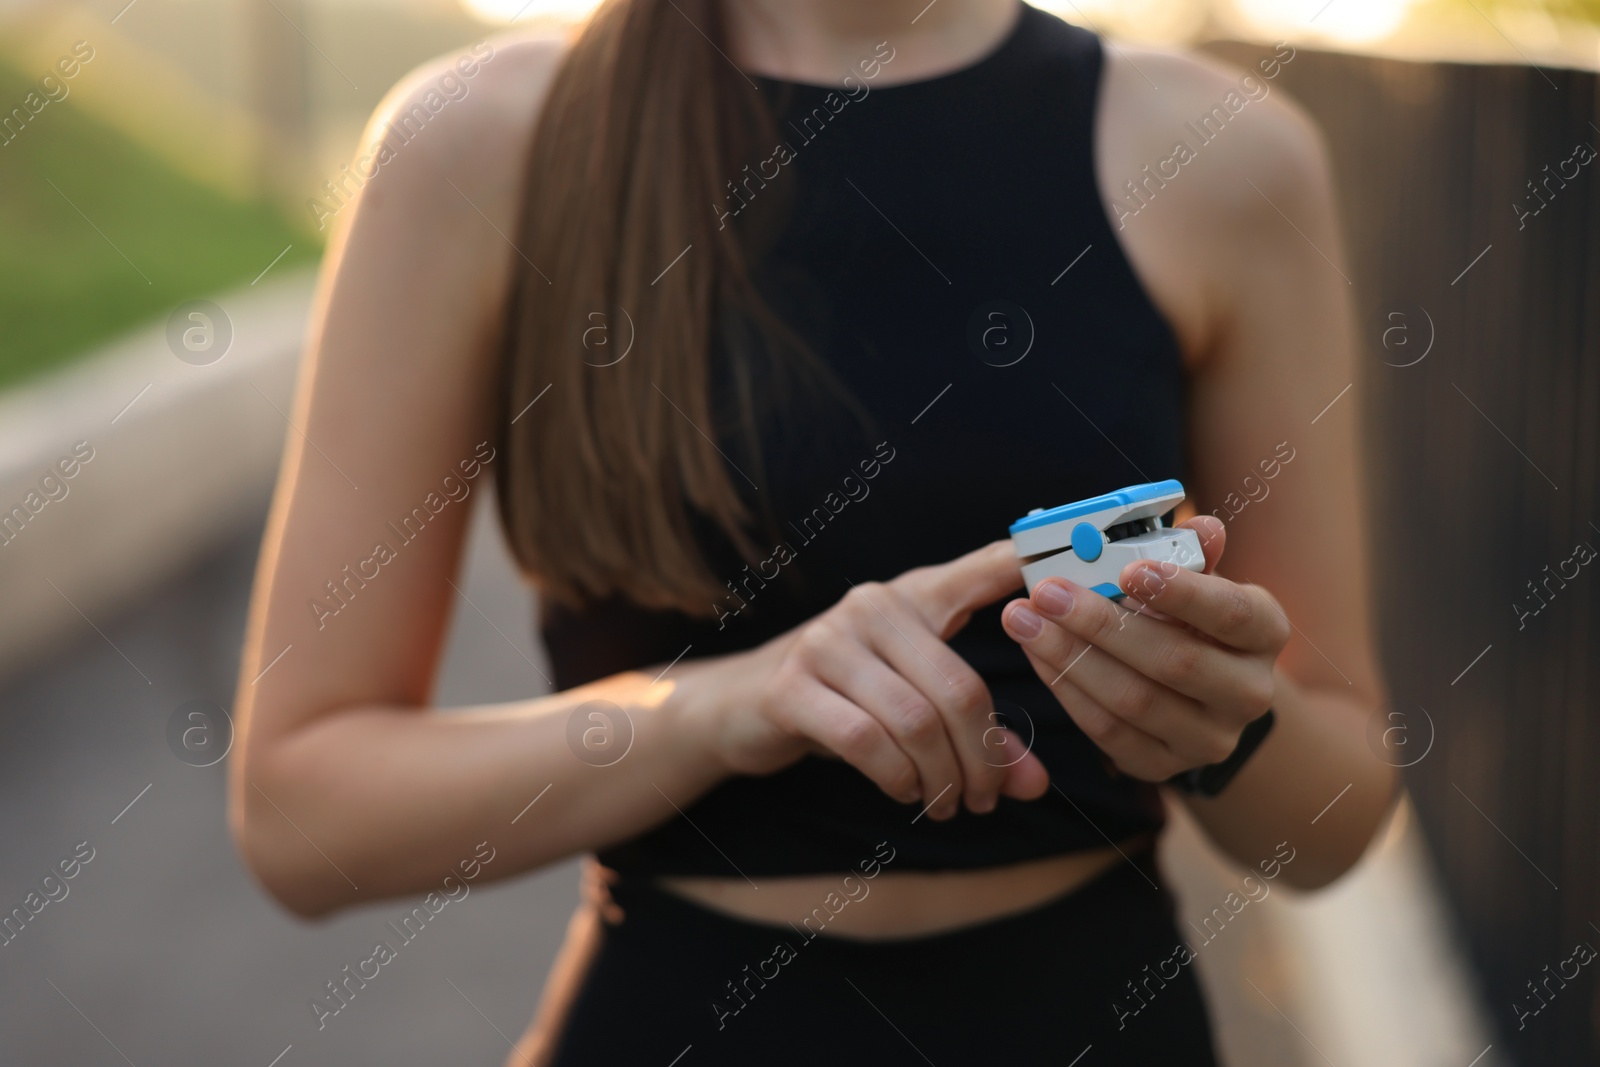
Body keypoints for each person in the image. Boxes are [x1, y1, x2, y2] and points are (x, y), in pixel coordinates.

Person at [229, 1, 1397, 1062]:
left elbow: (1334, 820)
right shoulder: (480, 139)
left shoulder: (1226, 155)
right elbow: (299, 812)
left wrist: (1221, 722)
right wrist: (727, 705)